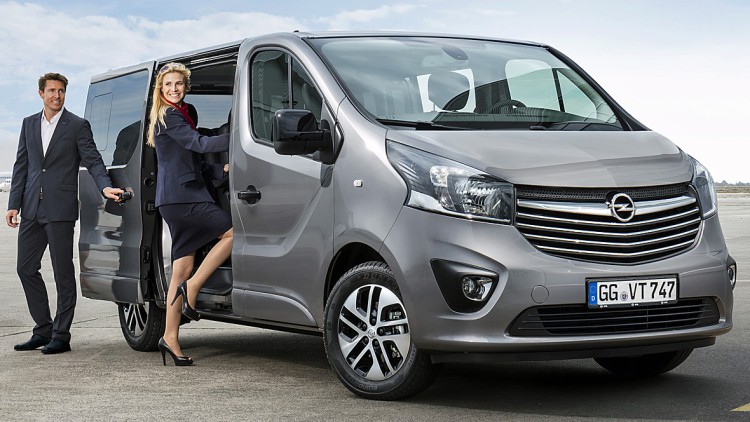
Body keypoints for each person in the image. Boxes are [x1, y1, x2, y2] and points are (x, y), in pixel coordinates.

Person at [6, 72, 124, 354]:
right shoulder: (29, 123)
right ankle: (42, 329)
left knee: (62, 272)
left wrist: (105, 186)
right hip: (31, 208)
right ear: (41, 93)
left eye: (60, 91)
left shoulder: (77, 125)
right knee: (25, 268)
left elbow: (93, 160)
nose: (56, 95)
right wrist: (13, 204)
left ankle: (61, 335)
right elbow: (22, 166)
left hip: (60, 209)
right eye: (51, 91)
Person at [146, 62, 233, 366]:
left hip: (174, 198)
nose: (174, 89)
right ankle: (193, 288)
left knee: (180, 271)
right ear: (161, 88)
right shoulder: (169, 115)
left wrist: (221, 169)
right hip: (183, 199)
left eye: (179, 84)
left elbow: (190, 162)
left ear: (186, 86)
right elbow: (199, 144)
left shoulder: (181, 113)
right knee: (231, 234)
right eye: (168, 84)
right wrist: (243, 136)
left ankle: (170, 337)